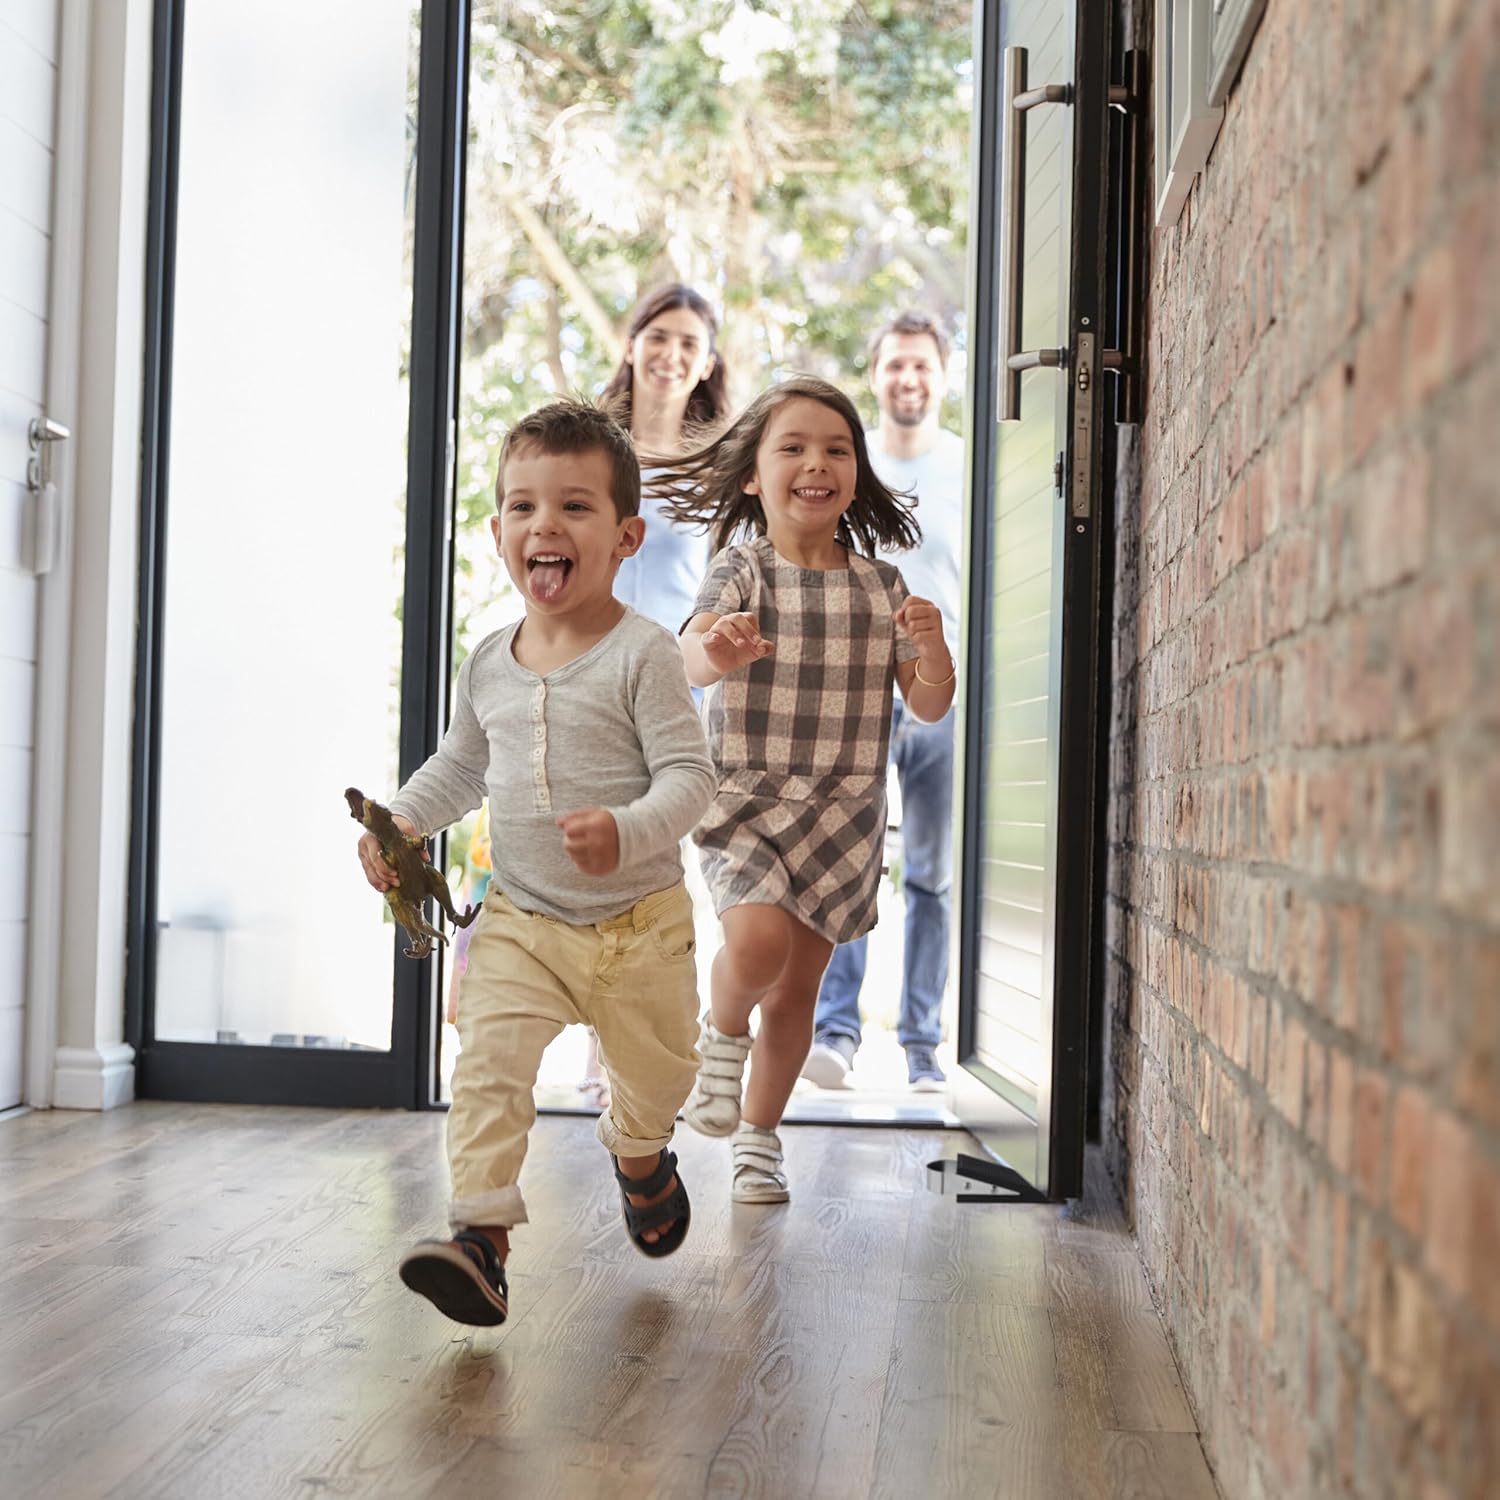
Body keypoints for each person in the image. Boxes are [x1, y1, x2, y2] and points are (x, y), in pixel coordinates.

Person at [357, 401, 714, 1327]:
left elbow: (691, 777)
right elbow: (462, 767)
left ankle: (640, 1157)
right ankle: (481, 1239)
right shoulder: (488, 663)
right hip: (521, 917)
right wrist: (399, 824)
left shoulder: (646, 656)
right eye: (523, 508)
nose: (544, 526)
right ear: (497, 533)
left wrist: (630, 829)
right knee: (486, 1062)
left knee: (660, 1078)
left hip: (640, 925)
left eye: (575, 508)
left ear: (627, 536)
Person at [658, 375, 957, 1204]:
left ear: (855, 472)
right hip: (748, 804)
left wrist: (932, 649)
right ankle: (720, 1037)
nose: (815, 462)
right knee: (755, 948)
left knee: (797, 993)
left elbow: (929, 705)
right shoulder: (741, 568)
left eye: (835, 447)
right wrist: (718, 646)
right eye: (791, 447)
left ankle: (759, 1139)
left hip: (844, 817)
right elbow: (688, 658)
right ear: (753, 475)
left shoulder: (883, 588)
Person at [574, 284, 731, 1109]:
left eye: (690, 344)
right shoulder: (595, 451)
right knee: (598, 863)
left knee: (655, 866)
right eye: (659, 337)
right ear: (633, 344)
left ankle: (646, 1050)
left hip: (669, 680)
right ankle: (605, 1054)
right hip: (586, 671)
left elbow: (721, 583)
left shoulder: (716, 471)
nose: (672, 354)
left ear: (707, 364)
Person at [803, 311, 966, 1093]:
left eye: (922, 365)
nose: (909, 378)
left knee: (931, 873)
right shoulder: (849, 469)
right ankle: (835, 1034)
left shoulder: (971, 468)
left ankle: (923, 1047)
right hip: (858, 695)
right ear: (876, 374)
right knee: (848, 864)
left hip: (939, 693)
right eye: (895, 364)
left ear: (944, 375)